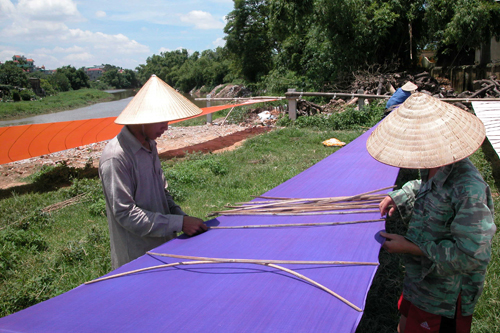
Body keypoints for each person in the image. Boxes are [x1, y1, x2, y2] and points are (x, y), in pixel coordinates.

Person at [366, 92, 496, 333]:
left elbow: (472, 255)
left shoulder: (468, 189)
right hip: (419, 282)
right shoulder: (435, 166)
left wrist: (411, 247)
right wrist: (399, 196)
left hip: (443, 296)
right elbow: (423, 188)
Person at [99, 74, 208, 269]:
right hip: (137, 256)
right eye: (161, 120)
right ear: (143, 119)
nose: (166, 127)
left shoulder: (150, 145)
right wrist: (179, 224)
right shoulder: (116, 157)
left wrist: (181, 218)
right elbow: (126, 214)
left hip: (165, 245)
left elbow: (162, 193)